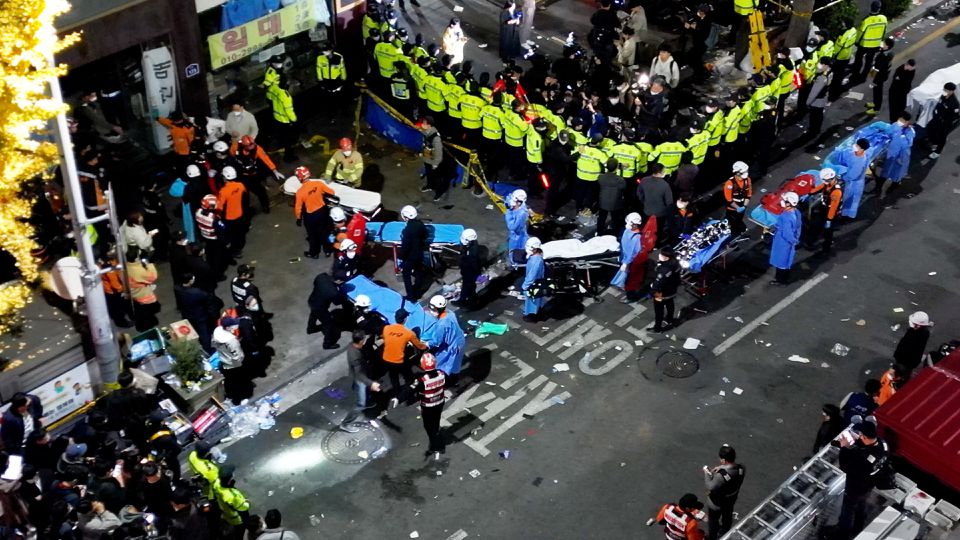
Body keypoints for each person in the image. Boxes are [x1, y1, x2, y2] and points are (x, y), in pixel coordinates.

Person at [834, 421, 888, 539]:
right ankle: (859, 526)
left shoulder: (866, 459)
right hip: (869, 485)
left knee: (847, 511)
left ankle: (843, 534)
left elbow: (845, 467)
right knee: (861, 504)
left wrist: (844, 447)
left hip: (856, 487)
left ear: (864, 436)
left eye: (860, 435)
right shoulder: (883, 444)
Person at [382, 309, 428, 406]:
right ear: (405, 319)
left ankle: (397, 394)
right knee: (409, 378)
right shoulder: (408, 333)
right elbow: (420, 346)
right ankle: (408, 397)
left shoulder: (386, 328)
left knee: (394, 378)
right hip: (399, 361)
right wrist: (426, 346)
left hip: (386, 358)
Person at [340, 331, 382, 431]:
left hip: (363, 375)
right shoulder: (354, 355)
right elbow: (359, 374)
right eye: (364, 339)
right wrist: (371, 383)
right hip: (359, 380)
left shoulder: (353, 346)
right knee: (360, 404)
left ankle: (367, 402)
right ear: (361, 341)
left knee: (366, 393)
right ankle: (345, 423)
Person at [232, 135, 284, 214]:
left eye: (253, 144)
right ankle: (246, 210)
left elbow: (265, 158)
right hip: (241, 175)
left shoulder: (257, 149)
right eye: (249, 146)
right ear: (243, 145)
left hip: (253, 174)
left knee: (261, 191)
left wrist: (274, 170)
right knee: (243, 193)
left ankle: (265, 206)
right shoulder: (235, 147)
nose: (252, 147)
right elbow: (232, 156)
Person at [294, 166, 337, 259]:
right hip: (322, 212)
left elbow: (298, 207)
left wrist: (298, 218)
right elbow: (332, 192)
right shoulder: (318, 183)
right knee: (325, 232)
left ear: (299, 178)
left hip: (311, 216)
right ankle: (328, 251)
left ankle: (314, 253)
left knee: (312, 235)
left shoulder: (300, 192)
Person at [703, 445, 745, 540]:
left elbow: (710, 486)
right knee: (727, 516)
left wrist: (707, 474)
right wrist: (723, 467)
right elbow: (730, 470)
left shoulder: (720, 476)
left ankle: (713, 537)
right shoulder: (741, 468)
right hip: (731, 499)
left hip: (716, 503)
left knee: (713, 521)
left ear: (723, 460)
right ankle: (725, 531)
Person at [410, 352, 447, 457]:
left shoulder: (422, 380)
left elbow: (410, 390)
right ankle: (436, 437)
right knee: (435, 423)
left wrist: (398, 398)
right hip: (439, 402)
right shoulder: (441, 373)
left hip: (428, 407)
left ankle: (436, 445)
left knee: (429, 426)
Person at [174, 273, 222, 353]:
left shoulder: (177, 289)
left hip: (187, 314)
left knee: (197, 330)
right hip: (199, 316)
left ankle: (202, 343)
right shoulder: (196, 292)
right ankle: (207, 350)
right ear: (189, 281)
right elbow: (208, 299)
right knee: (205, 334)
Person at [423, 295, 466, 381]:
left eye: (433, 309)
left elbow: (437, 341)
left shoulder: (441, 325)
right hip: (460, 341)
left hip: (452, 347)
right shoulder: (450, 313)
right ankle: (455, 380)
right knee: (456, 364)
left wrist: (426, 343)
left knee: (441, 363)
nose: (432, 311)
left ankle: (444, 381)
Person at [875, 112, 915, 198]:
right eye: (899, 120)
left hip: (902, 156)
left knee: (897, 174)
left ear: (907, 122)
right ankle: (878, 188)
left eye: (903, 121)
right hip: (892, 154)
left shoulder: (910, 132)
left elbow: (908, 144)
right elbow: (889, 133)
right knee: (885, 171)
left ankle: (894, 186)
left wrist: (900, 135)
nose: (900, 122)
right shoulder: (895, 126)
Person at [805, 168, 843, 255]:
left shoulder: (836, 192)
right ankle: (811, 241)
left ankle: (826, 249)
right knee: (816, 225)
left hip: (831, 212)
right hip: (824, 208)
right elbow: (820, 187)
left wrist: (829, 220)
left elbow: (833, 207)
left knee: (828, 232)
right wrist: (811, 191)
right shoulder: (828, 183)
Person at [850, 1, 888, 84]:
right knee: (869, 62)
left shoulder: (866, 20)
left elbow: (860, 33)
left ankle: (855, 75)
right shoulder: (884, 19)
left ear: (871, 8)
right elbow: (884, 32)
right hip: (875, 45)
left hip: (864, 44)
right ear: (879, 9)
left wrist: (856, 42)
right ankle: (863, 78)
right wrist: (880, 42)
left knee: (858, 60)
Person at [307, 273, 348, 349]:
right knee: (328, 323)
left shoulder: (322, 276)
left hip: (312, 300)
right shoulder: (333, 292)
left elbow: (315, 283)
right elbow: (337, 302)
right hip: (321, 308)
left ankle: (311, 328)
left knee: (313, 314)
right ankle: (327, 344)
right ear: (338, 281)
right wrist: (339, 291)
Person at [217, 165, 250, 259]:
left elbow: (220, 207)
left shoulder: (223, 191)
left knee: (232, 235)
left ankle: (234, 251)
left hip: (229, 218)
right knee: (240, 233)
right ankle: (239, 247)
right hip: (240, 214)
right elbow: (245, 197)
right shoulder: (240, 185)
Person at [212, 317, 248, 402]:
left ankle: (230, 394)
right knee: (237, 381)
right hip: (233, 364)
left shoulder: (217, 332)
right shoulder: (232, 341)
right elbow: (239, 355)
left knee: (228, 381)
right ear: (228, 328)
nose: (236, 326)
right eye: (234, 325)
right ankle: (237, 399)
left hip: (223, 361)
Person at [769, 192, 801, 285]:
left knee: (781, 262)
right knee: (786, 261)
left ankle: (781, 280)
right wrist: (796, 239)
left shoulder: (786, 216)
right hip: (790, 240)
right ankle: (784, 278)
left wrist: (793, 241)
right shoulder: (796, 212)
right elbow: (799, 227)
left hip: (783, 242)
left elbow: (787, 233)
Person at [636, 163, 673, 243]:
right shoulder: (665, 185)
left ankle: (644, 241)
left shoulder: (644, 180)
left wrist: (644, 202)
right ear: (659, 173)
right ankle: (656, 243)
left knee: (645, 228)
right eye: (664, 171)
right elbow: (669, 202)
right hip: (660, 214)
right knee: (658, 229)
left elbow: (639, 194)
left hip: (647, 210)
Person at [125, 247, 160, 331]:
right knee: (146, 313)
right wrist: (149, 264)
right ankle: (147, 327)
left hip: (133, 293)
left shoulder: (126, 266)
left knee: (142, 311)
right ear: (136, 258)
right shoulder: (138, 271)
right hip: (142, 295)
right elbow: (153, 276)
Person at [265, 76, 299, 162]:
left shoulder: (274, 88)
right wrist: (294, 120)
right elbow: (289, 111)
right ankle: (288, 157)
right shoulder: (286, 96)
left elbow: (268, 96)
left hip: (276, 118)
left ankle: (280, 145)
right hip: (285, 121)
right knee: (288, 140)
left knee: (280, 136)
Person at [834, 139, 869, 219]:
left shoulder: (860, 162)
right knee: (848, 199)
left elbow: (853, 175)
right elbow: (846, 157)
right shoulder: (854, 153)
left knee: (850, 200)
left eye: (857, 146)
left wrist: (842, 177)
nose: (855, 146)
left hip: (854, 184)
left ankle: (846, 217)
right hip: (851, 180)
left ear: (862, 149)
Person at [399, 205, 428, 300]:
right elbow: (425, 235)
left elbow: (405, 247)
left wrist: (401, 257)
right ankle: (418, 292)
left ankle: (411, 296)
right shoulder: (420, 224)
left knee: (406, 275)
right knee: (419, 272)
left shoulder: (407, 230)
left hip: (410, 257)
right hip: (419, 254)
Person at [213, 465, 250, 540]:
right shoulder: (232, 496)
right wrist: (246, 503)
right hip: (237, 519)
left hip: (226, 513)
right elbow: (243, 508)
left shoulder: (216, 484)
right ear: (230, 479)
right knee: (241, 532)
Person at [611, 213, 643, 302]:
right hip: (624, 257)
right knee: (625, 277)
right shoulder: (628, 230)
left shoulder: (636, 237)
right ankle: (625, 287)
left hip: (630, 262)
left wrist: (626, 263)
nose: (627, 224)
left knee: (630, 279)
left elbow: (633, 252)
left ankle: (631, 297)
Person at [925, 82, 959, 159]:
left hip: (945, 123)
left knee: (942, 137)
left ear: (951, 91)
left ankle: (937, 152)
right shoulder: (943, 96)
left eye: (946, 90)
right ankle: (935, 143)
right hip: (937, 119)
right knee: (930, 130)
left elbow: (954, 116)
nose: (944, 91)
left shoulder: (954, 103)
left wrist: (944, 121)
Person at [650, 246, 680, 332]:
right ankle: (670, 319)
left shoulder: (663, 270)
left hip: (660, 293)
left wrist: (652, 292)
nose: (659, 255)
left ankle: (657, 328)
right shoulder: (675, 263)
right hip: (672, 290)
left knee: (659, 310)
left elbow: (658, 283)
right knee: (670, 303)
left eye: (661, 254)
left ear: (666, 257)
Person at [420, 116, 448, 202]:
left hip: (434, 161)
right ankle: (429, 185)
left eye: (424, 123)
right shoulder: (425, 132)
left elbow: (439, 152)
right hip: (427, 158)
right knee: (429, 174)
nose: (422, 124)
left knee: (437, 177)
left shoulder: (436, 138)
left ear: (429, 125)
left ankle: (439, 192)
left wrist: (436, 163)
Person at [865, 38, 894, 116]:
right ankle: (875, 103)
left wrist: (874, 79)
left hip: (880, 76)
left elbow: (879, 69)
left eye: (884, 43)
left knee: (878, 91)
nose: (882, 44)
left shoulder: (884, 56)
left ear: (887, 46)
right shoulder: (887, 52)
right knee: (876, 90)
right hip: (881, 75)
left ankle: (876, 108)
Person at [597, 158, 626, 236]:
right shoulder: (620, 180)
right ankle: (614, 234)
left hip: (603, 201)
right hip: (615, 203)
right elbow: (623, 187)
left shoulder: (601, 177)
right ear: (616, 168)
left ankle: (599, 233)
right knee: (615, 220)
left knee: (601, 218)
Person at [805, 59, 833, 137]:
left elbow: (814, 92)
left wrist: (808, 102)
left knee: (814, 116)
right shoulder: (829, 73)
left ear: (826, 66)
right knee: (819, 115)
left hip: (816, 101)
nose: (819, 65)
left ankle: (812, 131)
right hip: (823, 99)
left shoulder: (821, 78)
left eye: (821, 63)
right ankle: (816, 129)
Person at [723, 161, 752, 237]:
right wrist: (738, 208)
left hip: (742, 206)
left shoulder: (747, 180)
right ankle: (733, 235)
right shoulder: (729, 183)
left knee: (739, 219)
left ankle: (739, 229)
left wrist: (744, 206)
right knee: (732, 222)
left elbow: (748, 194)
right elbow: (728, 200)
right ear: (737, 172)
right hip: (732, 209)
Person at [521, 237, 546, 322]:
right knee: (536, 300)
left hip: (533, 284)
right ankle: (535, 313)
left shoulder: (536, 260)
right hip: (538, 282)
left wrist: (525, 286)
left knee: (532, 301)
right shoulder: (536, 257)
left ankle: (532, 317)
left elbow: (531, 275)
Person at [456, 229, 482, 308]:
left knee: (468, 286)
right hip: (470, 271)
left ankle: (465, 301)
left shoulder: (472, 252)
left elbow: (471, 263)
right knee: (469, 286)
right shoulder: (473, 245)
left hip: (469, 272)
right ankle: (470, 299)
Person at [505, 189, 529, 258]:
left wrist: (509, 211)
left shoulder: (521, 214)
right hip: (513, 234)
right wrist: (509, 205)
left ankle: (515, 265)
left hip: (518, 237)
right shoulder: (514, 201)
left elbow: (512, 226)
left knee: (515, 252)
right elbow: (507, 200)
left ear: (519, 202)